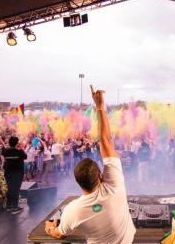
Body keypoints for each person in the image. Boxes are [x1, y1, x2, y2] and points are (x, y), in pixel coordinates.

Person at [44, 85, 136, 243]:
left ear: (78, 182)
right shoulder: (115, 185)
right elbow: (106, 140)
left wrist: (49, 228)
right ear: (100, 175)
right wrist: (100, 107)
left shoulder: (73, 210)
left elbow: (60, 234)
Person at [1, 136, 27, 214]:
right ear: (16, 143)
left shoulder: (6, 151)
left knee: (10, 188)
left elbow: (4, 155)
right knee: (16, 189)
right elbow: (25, 157)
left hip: (8, 173)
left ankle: (9, 206)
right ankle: (15, 206)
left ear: (9, 143)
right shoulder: (20, 152)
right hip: (18, 173)